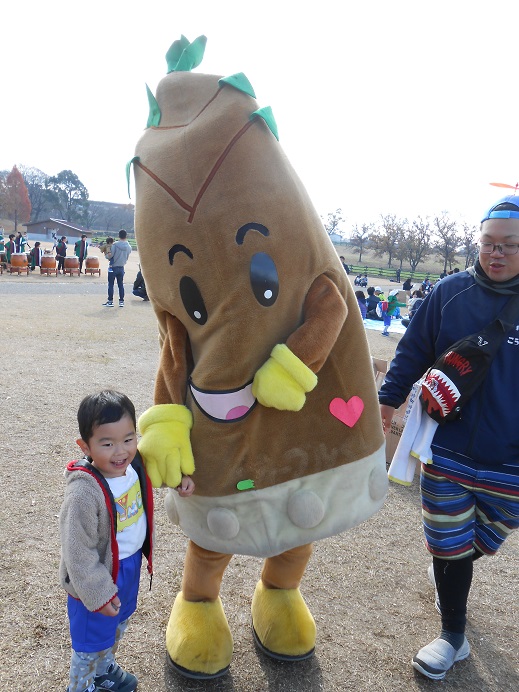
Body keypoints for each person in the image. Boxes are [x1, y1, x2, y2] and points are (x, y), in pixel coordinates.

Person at [379, 194, 519, 680]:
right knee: (448, 544)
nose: (496, 253)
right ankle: (452, 636)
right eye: (488, 244)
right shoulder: (450, 292)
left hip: (512, 464)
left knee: (480, 538)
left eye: (509, 246)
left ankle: (455, 567)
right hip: (448, 449)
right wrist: (387, 400)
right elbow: (413, 349)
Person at [59, 389, 196, 692]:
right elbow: (77, 552)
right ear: (86, 445)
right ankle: (82, 686)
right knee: (89, 645)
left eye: (128, 439)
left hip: (129, 567)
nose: (120, 451)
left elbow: (159, 468)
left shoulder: (133, 465)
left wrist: (179, 479)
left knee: (117, 626)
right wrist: (99, 593)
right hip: (94, 582)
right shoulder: (84, 493)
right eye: (106, 443)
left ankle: (104, 670)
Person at [103, 230, 132, 307]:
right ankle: (121, 301)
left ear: (119, 236)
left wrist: (105, 254)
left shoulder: (115, 245)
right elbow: (127, 257)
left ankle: (110, 301)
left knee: (111, 284)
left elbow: (110, 255)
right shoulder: (129, 247)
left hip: (113, 267)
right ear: (126, 236)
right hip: (122, 267)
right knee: (120, 285)